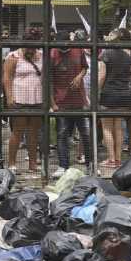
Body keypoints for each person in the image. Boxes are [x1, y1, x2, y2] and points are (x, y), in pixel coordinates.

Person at [2, 27, 44, 173]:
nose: (31, 49)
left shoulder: (41, 55)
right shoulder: (13, 56)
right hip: (19, 98)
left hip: (37, 98)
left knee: (33, 132)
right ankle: (12, 163)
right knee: (17, 131)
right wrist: (9, 96)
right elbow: (7, 77)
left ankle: (32, 163)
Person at [51, 32, 92, 177]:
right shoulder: (52, 54)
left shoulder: (78, 50)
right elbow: (48, 81)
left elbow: (84, 67)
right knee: (62, 135)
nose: (64, 50)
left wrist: (79, 77)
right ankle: (63, 165)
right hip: (61, 102)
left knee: (86, 134)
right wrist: (53, 103)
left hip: (79, 101)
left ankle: (90, 164)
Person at [97, 28, 131, 169]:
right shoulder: (129, 55)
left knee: (107, 127)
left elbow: (101, 76)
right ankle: (119, 159)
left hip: (109, 94)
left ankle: (111, 159)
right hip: (123, 94)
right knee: (118, 127)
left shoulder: (105, 54)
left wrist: (96, 92)